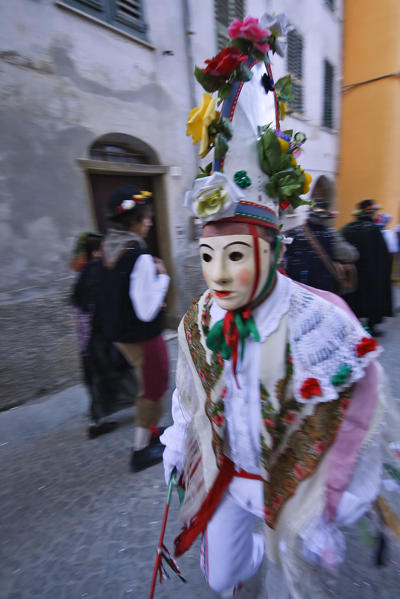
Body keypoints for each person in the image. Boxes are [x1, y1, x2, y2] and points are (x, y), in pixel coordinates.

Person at [160, 13, 399, 598]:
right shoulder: (200, 321)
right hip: (227, 479)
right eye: (207, 256)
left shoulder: (320, 321)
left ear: (270, 247)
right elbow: (190, 395)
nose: (218, 275)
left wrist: (336, 494)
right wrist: (179, 443)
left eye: (235, 254)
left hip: (289, 490)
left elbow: (360, 403)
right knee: (223, 577)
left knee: (287, 575)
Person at [99, 185, 170, 472]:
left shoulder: (111, 245)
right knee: (154, 387)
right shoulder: (138, 255)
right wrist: (162, 278)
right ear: (134, 220)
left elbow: (119, 294)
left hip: (123, 334)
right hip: (143, 336)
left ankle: (152, 430)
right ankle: (141, 449)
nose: (150, 222)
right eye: (146, 217)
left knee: (149, 384)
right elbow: (145, 309)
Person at [70, 232, 137, 438]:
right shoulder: (96, 272)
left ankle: (97, 420)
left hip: (87, 340)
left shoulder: (83, 272)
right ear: (97, 251)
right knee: (111, 374)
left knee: (96, 379)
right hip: (99, 338)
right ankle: (101, 421)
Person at [341, 199, 393, 336]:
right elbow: (383, 255)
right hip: (373, 275)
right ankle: (371, 326)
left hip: (353, 274)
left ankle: (355, 323)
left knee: (354, 298)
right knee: (372, 300)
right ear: (371, 214)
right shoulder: (374, 230)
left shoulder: (348, 228)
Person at [285, 197, 358, 291]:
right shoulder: (330, 235)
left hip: (297, 287)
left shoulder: (293, 233)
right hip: (322, 288)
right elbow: (351, 255)